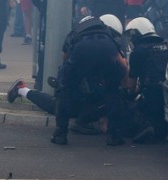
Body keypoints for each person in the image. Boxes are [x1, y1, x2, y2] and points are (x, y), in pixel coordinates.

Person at [51, 15, 129, 147]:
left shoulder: (74, 32)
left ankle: (60, 134)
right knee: (113, 92)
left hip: (82, 49)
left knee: (66, 91)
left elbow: (65, 57)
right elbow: (121, 62)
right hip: (106, 48)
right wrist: (123, 82)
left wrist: (70, 77)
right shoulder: (107, 33)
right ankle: (114, 136)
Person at [123, 18, 168, 143]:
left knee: (131, 109)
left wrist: (130, 94)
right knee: (164, 118)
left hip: (151, 92)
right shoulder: (167, 45)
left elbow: (132, 83)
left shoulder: (138, 52)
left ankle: (145, 126)